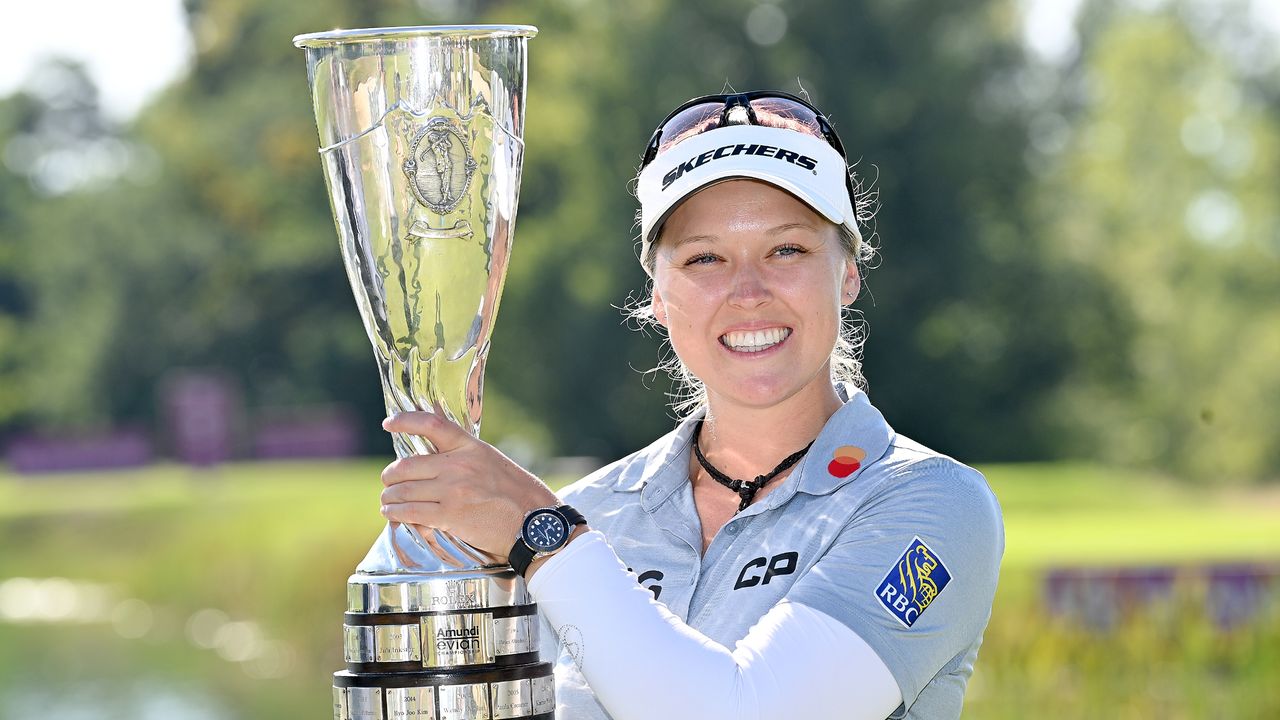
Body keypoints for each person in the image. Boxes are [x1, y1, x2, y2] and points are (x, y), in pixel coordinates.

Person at [378, 90, 1005, 719]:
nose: (748, 291)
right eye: (705, 258)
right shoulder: (592, 511)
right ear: (657, 293)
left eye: (786, 249)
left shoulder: (933, 508)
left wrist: (541, 536)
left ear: (846, 271)